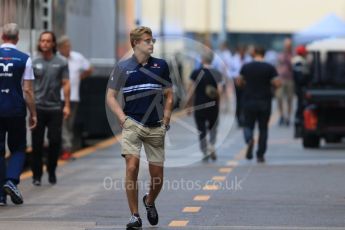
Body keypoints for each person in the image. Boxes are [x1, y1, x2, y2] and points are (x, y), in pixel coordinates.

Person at [106, 26, 173, 229]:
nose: (151, 44)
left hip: (155, 126)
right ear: (135, 43)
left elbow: (169, 94)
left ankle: (149, 200)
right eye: (147, 40)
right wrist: (122, 117)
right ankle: (135, 216)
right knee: (132, 167)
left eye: (152, 40)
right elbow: (110, 97)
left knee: (158, 177)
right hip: (132, 123)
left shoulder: (161, 66)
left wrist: (167, 117)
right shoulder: (123, 67)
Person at [0, 23, 37, 206]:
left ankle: (0, 196)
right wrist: (33, 113)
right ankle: (11, 180)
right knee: (18, 148)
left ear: (2, 36)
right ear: (17, 38)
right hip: (15, 109)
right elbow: (28, 91)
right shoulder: (25, 59)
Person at [31, 31, 70, 186]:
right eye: (43, 41)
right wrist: (30, 107)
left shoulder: (61, 62)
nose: (45, 43)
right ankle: (37, 175)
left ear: (53, 44)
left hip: (55, 108)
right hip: (38, 108)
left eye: (48, 41)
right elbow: (28, 85)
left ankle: (52, 170)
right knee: (37, 143)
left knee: (54, 141)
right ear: (39, 43)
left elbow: (66, 83)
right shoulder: (34, 62)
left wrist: (66, 105)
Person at [239, 46, 281, 163]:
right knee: (263, 128)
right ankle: (260, 154)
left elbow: (239, 82)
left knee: (248, 125)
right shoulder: (269, 67)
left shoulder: (246, 67)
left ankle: (249, 140)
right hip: (264, 102)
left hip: (249, 101)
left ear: (254, 53)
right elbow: (277, 83)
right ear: (264, 54)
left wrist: (245, 86)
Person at [57, 35, 93, 160]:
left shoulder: (77, 57)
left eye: (69, 46)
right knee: (61, 124)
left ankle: (65, 149)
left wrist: (80, 77)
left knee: (68, 124)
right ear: (60, 48)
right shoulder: (56, 59)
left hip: (73, 97)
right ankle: (64, 149)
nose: (68, 49)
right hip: (58, 97)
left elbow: (89, 68)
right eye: (66, 47)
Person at [186, 50, 223, 161]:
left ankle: (204, 150)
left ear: (202, 60)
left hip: (199, 105)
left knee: (201, 129)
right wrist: (219, 104)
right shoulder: (217, 73)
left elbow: (191, 90)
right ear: (212, 60)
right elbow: (220, 91)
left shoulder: (196, 73)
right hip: (213, 105)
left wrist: (188, 105)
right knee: (213, 127)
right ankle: (212, 144)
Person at [231, 44, 252, 127]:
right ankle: (239, 119)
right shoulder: (233, 59)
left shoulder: (249, 59)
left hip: (246, 83)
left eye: (243, 51)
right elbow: (229, 71)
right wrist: (236, 77)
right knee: (238, 102)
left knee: (245, 101)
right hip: (236, 83)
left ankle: (245, 118)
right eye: (240, 51)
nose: (242, 53)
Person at [292, 45, 309, 138]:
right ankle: (299, 130)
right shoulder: (299, 62)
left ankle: (300, 129)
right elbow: (300, 78)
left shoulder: (299, 61)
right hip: (300, 89)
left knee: (301, 108)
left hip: (300, 89)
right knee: (300, 109)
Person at [276, 38, 294, 126]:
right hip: (281, 79)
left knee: (289, 99)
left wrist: (288, 59)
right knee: (279, 98)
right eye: (286, 45)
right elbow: (277, 65)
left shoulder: (293, 55)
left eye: (289, 45)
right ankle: (281, 115)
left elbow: (292, 66)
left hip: (290, 79)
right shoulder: (280, 55)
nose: (287, 47)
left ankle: (288, 117)